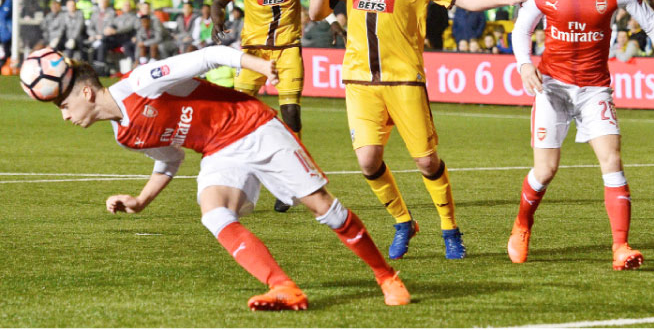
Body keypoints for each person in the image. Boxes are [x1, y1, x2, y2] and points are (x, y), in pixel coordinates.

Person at [47, 46, 410, 310]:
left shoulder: (142, 82)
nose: (65, 117)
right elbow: (170, 159)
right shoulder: (124, 135)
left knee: (322, 207)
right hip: (219, 151)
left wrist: (260, 66)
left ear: (86, 92)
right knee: (214, 212)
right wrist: (141, 200)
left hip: (253, 126)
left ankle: (386, 277)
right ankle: (282, 287)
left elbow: (209, 55)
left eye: (64, 106)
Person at [308, 0, 526, 260]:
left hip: (404, 80)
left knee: (426, 162)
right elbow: (317, 13)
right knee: (367, 162)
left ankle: (449, 228)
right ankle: (402, 222)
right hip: (360, 81)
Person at [510, 0, 654, 270]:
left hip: (595, 90)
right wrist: (524, 64)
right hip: (552, 89)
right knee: (545, 171)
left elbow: (653, 23)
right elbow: (521, 30)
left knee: (612, 161)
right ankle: (522, 224)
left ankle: (621, 247)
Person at [211, 0, 343, 213]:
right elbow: (219, 2)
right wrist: (216, 23)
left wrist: (333, 21)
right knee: (238, 116)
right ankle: (236, 181)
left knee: (292, 118)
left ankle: (291, 186)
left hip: (288, 48)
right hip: (254, 53)